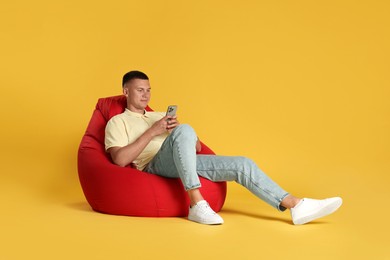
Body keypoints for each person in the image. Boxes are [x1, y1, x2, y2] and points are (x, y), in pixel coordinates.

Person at [105, 70, 342, 225]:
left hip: (179, 159)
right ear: (126, 91)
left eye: (148, 90)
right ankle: (197, 204)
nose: (145, 94)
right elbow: (119, 160)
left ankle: (296, 205)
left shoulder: (157, 115)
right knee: (185, 129)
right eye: (139, 90)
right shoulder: (118, 121)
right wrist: (155, 131)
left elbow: (196, 148)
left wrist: (183, 135)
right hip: (153, 166)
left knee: (242, 163)